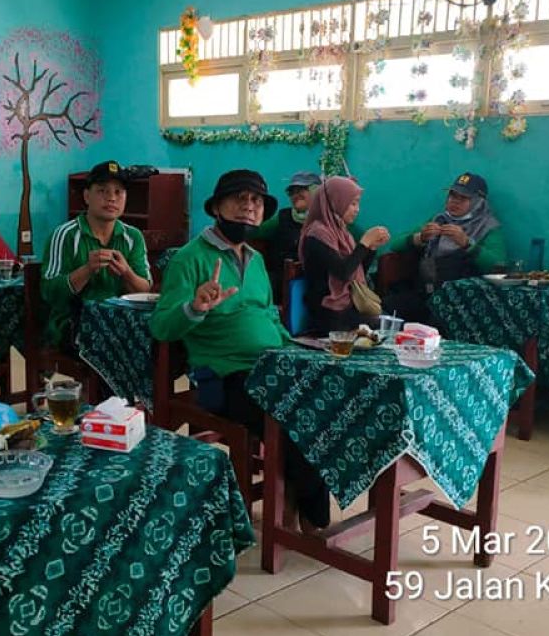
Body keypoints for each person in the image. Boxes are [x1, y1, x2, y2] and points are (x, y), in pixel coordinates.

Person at [151, 169, 331, 531]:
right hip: (223, 375)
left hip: (270, 363)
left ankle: (301, 495)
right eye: (239, 199)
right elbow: (162, 326)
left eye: (257, 201)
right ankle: (313, 515)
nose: (249, 207)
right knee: (289, 412)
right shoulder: (190, 258)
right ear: (217, 207)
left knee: (325, 395)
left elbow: (268, 314)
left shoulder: (257, 259)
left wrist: (293, 349)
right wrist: (195, 308)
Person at [41, 160, 152, 350]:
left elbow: (145, 291)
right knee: (119, 344)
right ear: (86, 196)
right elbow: (49, 292)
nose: (111, 198)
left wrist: (127, 273)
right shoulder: (65, 235)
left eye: (119, 192)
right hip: (72, 324)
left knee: (158, 338)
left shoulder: (133, 237)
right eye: (102, 191)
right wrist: (87, 270)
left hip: (121, 321)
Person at [383, 172, 505, 324]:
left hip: (463, 298)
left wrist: (467, 244)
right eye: (453, 196)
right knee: (386, 308)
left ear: (478, 202)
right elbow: (394, 245)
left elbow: (498, 265)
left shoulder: (488, 227)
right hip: (428, 292)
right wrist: (420, 238)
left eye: (463, 198)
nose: (455, 202)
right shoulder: (439, 219)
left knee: (438, 320)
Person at [299, 176, 391, 334]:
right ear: (336, 202)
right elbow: (342, 272)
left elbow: (357, 270)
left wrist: (371, 248)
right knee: (386, 327)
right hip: (328, 312)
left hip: (347, 308)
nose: (357, 209)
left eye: (358, 203)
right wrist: (363, 244)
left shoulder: (342, 232)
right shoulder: (317, 234)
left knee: (388, 324)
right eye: (353, 203)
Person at [254, 170, 321, 301]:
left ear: (317, 192)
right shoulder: (283, 217)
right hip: (281, 282)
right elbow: (254, 231)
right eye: (292, 192)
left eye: (301, 190)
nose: (295, 195)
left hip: (315, 284)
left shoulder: (327, 219)